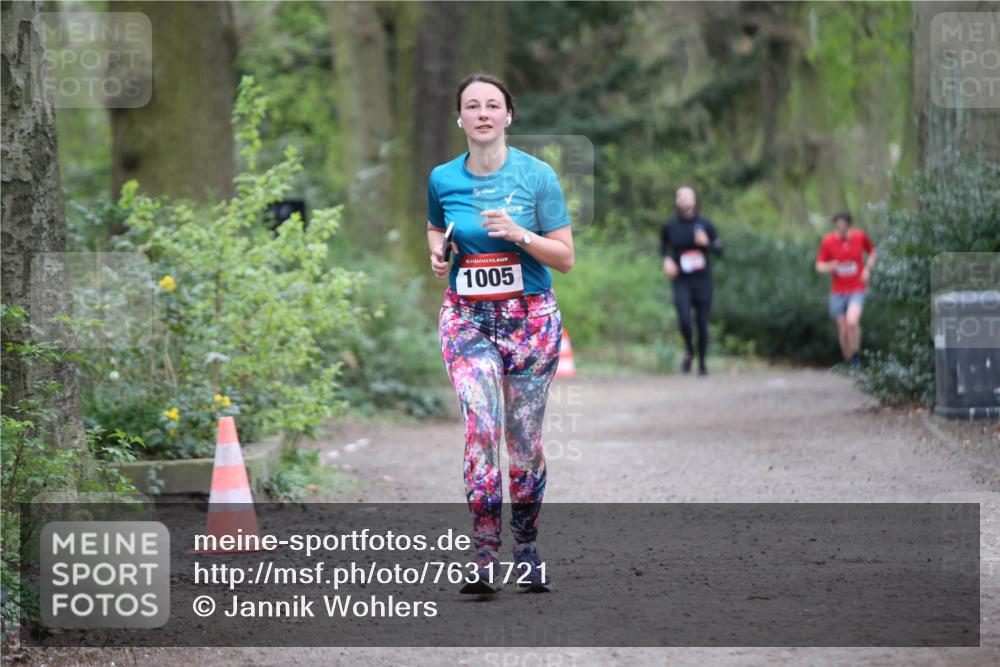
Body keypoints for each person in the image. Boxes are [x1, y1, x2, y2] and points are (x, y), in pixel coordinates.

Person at [426, 73, 574, 594]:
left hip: (530, 321)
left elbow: (566, 257)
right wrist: (438, 254)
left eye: (493, 105)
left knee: (524, 443)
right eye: (472, 105)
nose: (483, 113)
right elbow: (436, 225)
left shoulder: (538, 177)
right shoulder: (442, 178)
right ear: (460, 118)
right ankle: (484, 554)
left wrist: (520, 234)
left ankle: (527, 547)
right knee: (482, 430)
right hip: (467, 319)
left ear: (509, 116)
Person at [660, 186, 723, 376]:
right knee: (685, 319)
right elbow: (662, 248)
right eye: (678, 195)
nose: (681, 199)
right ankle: (689, 350)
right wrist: (666, 260)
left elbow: (720, 250)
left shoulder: (705, 224)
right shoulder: (670, 226)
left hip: (703, 280)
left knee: (702, 322)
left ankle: (702, 362)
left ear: (695, 200)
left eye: (686, 196)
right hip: (681, 280)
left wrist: (708, 244)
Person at [815, 212, 876, 371]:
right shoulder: (828, 241)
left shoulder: (859, 237)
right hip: (838, 291)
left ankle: (856, 358)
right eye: (838, 224)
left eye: (844, 224)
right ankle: (848, 360)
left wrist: (867, 269)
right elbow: (819, 266)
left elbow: (872, 252)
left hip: (857, 287)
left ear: (849, 224)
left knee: (852, 322)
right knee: (843, 330)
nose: (841, 227)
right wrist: (831, 266)